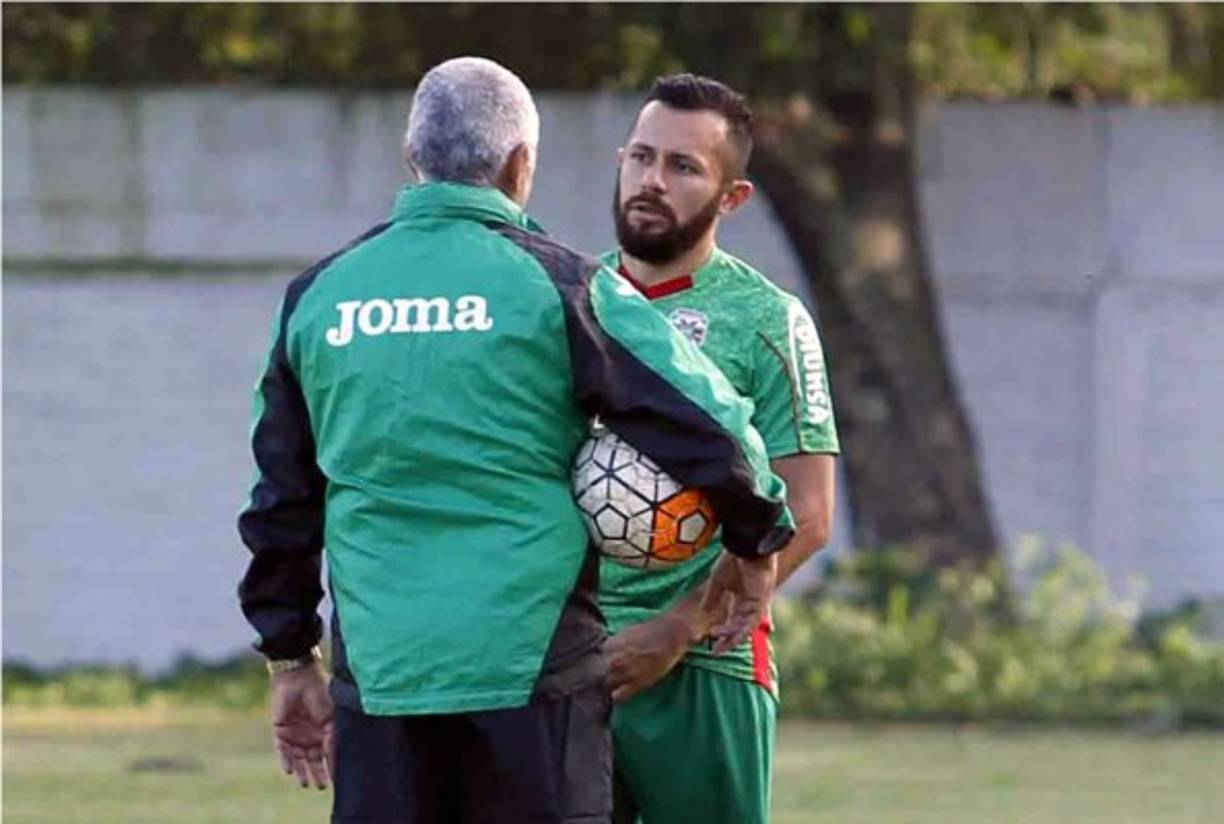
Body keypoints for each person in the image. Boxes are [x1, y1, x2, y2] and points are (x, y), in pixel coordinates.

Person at [236, 57, 794, 824]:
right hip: (534, 677)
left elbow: (281, 497)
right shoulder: (562, 285)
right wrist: (755, 539)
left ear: (413, 158)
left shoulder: (319, 296)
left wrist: (291, 654)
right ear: (520, 164)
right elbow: (713, 424)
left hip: (382, 675)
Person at [598, 75, 841, 824]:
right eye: (641, 158)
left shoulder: (768, 319)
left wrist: (679, 627)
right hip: (574, 661)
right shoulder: (570, 301)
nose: (652, 181)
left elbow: (807, 513)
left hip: (708, 663)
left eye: (683, 167)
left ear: (731, 198)